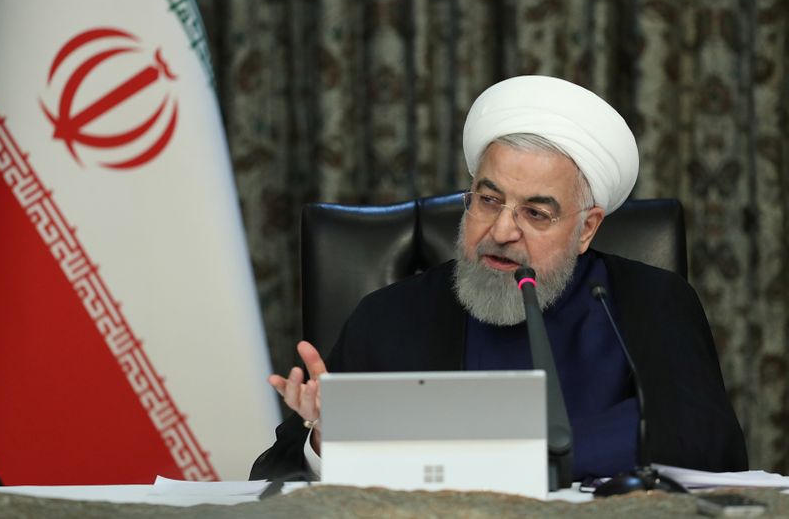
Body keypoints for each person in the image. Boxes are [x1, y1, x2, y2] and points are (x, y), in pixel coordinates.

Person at [249, 75, 748, 482]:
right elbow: (272, 475)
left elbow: (709, 444)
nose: (503, 230)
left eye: (536, 212)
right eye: (489, 200)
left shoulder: (648, 302)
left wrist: (491, 460)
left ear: (586, 228)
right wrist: (324, 441)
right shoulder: (390, 315)